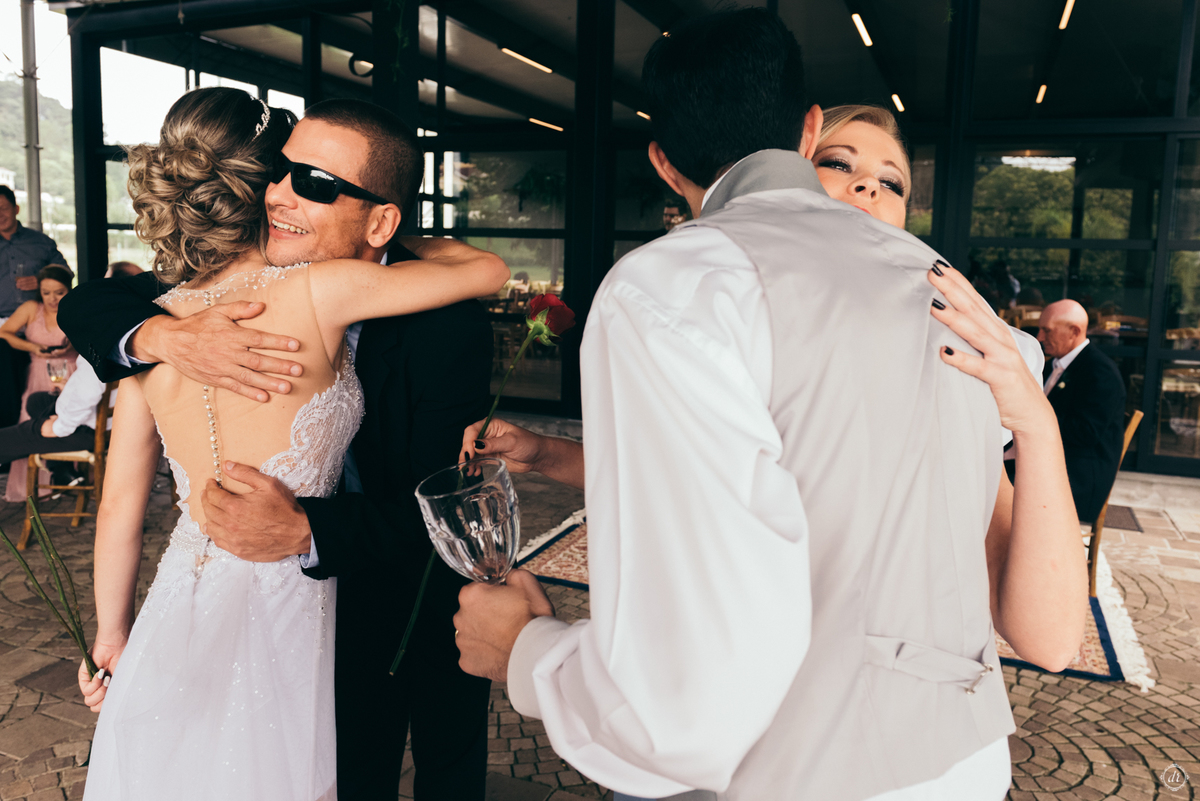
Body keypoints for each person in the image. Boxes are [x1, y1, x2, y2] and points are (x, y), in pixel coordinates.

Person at [453, 11, 1086, 801]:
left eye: (890, 180)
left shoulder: (688, 287)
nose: (865, 189)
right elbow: (770, 478)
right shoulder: (942, 310)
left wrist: (528, 652)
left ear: (662, 161)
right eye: (840, 165)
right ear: (802, 137)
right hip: (961, 770)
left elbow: (685, 697)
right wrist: (548, 455)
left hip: (796, 773)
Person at [63, 91, 506, 800]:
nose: (283, 194)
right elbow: (84, 304)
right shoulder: (165, 324)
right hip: (285, 606)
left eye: (316, 184)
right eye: (280, 172)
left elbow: (445, 505)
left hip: (384, 592)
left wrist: (112, 636)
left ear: (382, 220)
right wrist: (160, 336)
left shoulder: (443, 327)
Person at [0, 265, 144, 476]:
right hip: (109, 422)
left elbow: (88, 392)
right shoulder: (129, 328)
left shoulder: (101, 337)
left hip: (87, 429)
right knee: (36, 402)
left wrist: (58, 427)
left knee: (9, 439)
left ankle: (57, 460)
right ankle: (62, 471)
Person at [1036, 299, 1127, 520]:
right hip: (1053, 461)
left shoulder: (1100, 372)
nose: (1039, 337)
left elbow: (1085, 433)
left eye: (1047, 330)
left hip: (1079, 476)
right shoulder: (1052, 364)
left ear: (1074, 332)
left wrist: (1032, 419)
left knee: (996, 486)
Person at [0, 264, 77, 501]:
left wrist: (70, 347)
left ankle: (69, 478)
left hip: (70, 373)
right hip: (38, 373)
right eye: (46, 293)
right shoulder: (31, 308)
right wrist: (32, 347)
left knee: (67, 422)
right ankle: (33, 487)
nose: (52, 299)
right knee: (31, 421)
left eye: (59, 292)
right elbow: (4, 332)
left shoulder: (76, 309)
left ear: (69, 289)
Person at [0, 185, 72, 427]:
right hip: (3, 326)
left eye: (3, 208)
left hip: (39, 321)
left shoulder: (40, 242)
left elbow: (65, 274)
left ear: (16, 209)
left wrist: (40, 279)